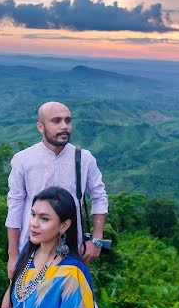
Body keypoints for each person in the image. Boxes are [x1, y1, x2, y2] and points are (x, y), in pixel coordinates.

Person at [6, 101, 109, 280]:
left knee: (71, 300)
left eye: (68, 121)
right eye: (56, 121)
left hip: (73, 249)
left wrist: (96, 240)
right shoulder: (23, 160)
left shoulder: (84, 159)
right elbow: (15, 206)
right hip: (31, 247)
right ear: (41, 127)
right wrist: (13, 254)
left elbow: (99, 197)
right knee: (27, 301)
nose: (64, 126)